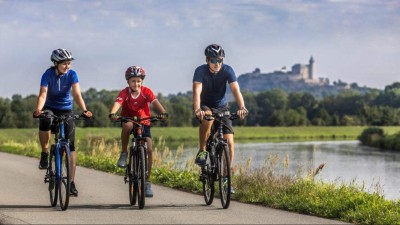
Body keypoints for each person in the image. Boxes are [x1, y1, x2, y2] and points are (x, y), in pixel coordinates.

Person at [33, 48, 93, 197]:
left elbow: (77, 94)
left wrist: (84, 110)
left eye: (69, 63)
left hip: (66, 109)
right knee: (45, 119)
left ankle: (71, 183)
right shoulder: (47, 74)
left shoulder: (72, 75)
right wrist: (39, 109)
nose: (67, 66)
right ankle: (45, 153)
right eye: (65, 63)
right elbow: (43, 94)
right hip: (50, 108)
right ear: (56, 63)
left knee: (71, 146)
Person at [192, 44, 248, 193]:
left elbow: (235, 89)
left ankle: (225, 179)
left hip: (222, 107)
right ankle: (203, 150)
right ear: (207, 60)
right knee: (208, 119)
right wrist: (198, 109)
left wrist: (242, 107)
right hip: (205, 106)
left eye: (220, 60)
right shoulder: (200, 71)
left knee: (229, 142)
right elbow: (197, 90)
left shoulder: (228, 70)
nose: (217, 64)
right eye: (213, 60)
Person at [109, 65, 168, 198]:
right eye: (133, 81)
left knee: (149, 148)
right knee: (127, 126)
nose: (136, 83)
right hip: (128, 119)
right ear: (128, 82)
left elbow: (155, 102)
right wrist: (113, 113)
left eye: (139, 81)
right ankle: (124, 153)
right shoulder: (125, 92)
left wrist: (163, 113)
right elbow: (117, 103)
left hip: (144, 121)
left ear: (142, 81)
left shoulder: (146, 91)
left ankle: (147, 181)